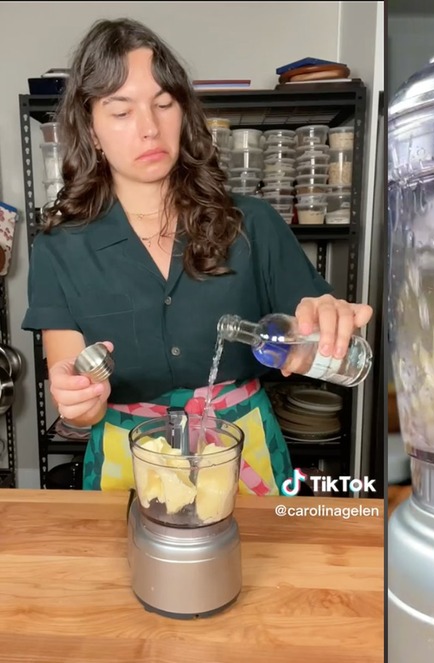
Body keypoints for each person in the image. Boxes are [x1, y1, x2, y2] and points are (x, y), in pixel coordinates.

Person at [21, 17, 372, 495]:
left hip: (242, 453)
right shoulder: (60, 248)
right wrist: (79, 399)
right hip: (130, 465)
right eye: (121, 112)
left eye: (163, 104)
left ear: (184, 113)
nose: (149, 128)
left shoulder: (254, 224)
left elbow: (310, 333)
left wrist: (325, 321)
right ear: (92, 130)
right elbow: (76, 393)